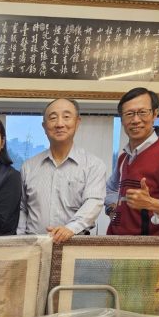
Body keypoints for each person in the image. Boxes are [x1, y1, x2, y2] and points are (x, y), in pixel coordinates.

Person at [105, 87, 159, 235]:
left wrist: (152, 204)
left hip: (150, 246)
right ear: (122, 119)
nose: (135, 120)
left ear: (154, 114)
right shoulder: (123, 157)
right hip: (114, 241)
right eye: (129, 114)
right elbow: (110, 189)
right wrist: (111, 209)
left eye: (142, 112)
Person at [17, 98, 106, 243]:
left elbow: (93, 202)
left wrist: (70, 229)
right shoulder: (28, 167)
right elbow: (23, 208)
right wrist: (20, 241)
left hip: (75, 245)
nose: (59, 124)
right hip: (34, 246)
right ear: (44, 126)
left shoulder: (93, 165)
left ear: (77, 122)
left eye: (66, 117)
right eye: (53, 118)